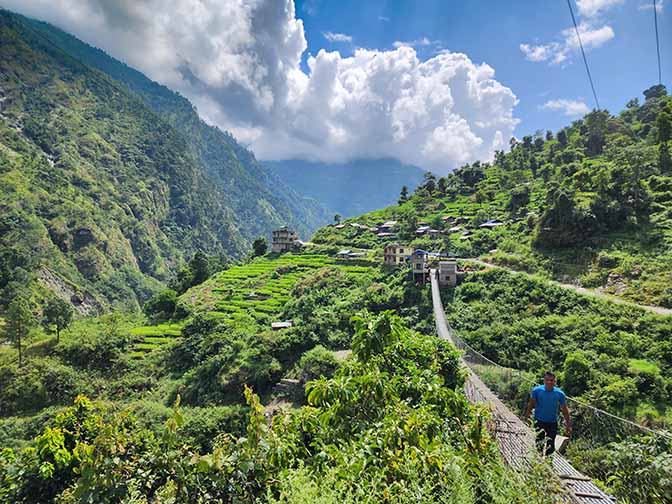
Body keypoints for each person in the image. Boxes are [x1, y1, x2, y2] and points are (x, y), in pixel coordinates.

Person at [524, 371, 572, 456]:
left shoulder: (559, 394)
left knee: (551, 444)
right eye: (547, 380)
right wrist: (527, 416)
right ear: (544, 380)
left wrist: (568, 424)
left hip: (552, 422)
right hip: (539, 421)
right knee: (539, 442)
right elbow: (531, 404)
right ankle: (538, 461)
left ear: (555, 381)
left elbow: (564, 409)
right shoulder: (537, 391)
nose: (549, 382)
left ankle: (549, 463)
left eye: (551, 380)